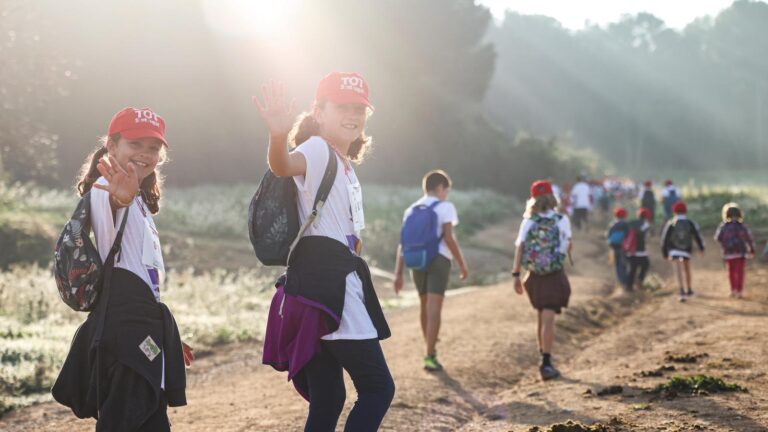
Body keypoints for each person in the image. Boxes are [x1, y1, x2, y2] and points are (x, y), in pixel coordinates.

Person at [258, 73, 395, 431]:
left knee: (329, 397)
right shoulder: (318, 149)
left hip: (316, 286)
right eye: (342, 107)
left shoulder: (343, 162)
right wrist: (276, 134)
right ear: (319, 111)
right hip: (332, 287)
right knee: (378, 387)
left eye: (359, 109)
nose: (353, 115)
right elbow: (283, 166)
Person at [52, 107, 194, 431]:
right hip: (124, 335)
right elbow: (114, 204)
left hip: (141, 329)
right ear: (112, 147)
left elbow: (144, 278)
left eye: (154, 148)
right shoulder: (107, 189)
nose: (146, 154)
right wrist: (121, 199)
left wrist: (165, 333)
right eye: (135, 144)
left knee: (149, 422)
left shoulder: (138, 198)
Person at [393, 170, 469, 372]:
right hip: (438, 259)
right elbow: (449, 238)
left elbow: (402, 243)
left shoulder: (411, 209)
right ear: (440, 188)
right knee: (435, 307)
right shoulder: (445, 207)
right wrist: (462, 263)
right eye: (446, 190)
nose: (447, 194)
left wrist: (398, 273)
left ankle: (430, 348)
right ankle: (429, 354)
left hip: (415, 260)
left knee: (424, 304)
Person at [512, 180, 572, 381]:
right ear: (551, 197)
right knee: (548, 318)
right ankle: (546, 363)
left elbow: (520, 248)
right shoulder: (561, 219)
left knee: (541, 316)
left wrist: (516, 275)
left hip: (534, 275)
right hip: (554, 274)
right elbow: (568, 245)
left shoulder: (529, 221)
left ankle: (542, 357)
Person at [661, 201, 705, 302]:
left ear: (674, 211)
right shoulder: (690, 223)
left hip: (673, 250)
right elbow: (697, 236)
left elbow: (665, 239)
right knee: (686, 269)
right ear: (685, 211)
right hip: (686, 250)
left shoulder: (671, 223)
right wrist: (701, 248)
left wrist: (664, 252)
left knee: (678, 270)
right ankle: (689, 289)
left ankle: (681, 291)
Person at [714, 203, 756, 299]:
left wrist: (725, 244)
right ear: (739, 214)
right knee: (740, 272)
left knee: (731, 272)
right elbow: (749, 238)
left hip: (728, 254)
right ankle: (739, 291)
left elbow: (717, 238)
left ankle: (733, 290)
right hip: (741, 253)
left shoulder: (723, 226)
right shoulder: (742, 226)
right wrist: (752, 249)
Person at [626, 208, 653, 290]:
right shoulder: (646, 224)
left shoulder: (631, 222)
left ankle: (629, 287)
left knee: (632, 268)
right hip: (641, 250)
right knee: (646, 265)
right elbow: (647, 236)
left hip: (630, 250)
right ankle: (639, 281)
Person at [606, 207, 630, 291]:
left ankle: (621, 282)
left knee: (617, 265)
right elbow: (629, 236)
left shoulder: (612, 224)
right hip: (623, 247)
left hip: (614, 247)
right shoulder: (626, 224)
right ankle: (625, 282)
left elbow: (608, 236)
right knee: (624, 264)